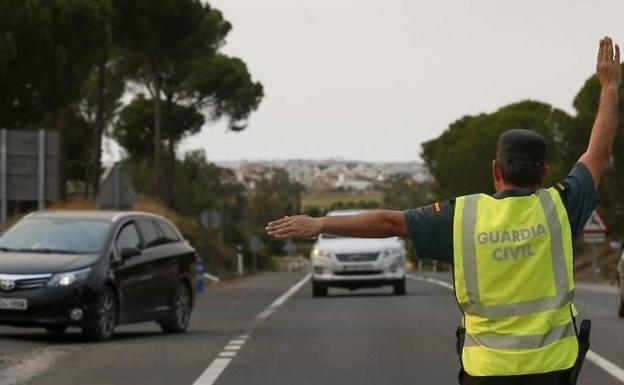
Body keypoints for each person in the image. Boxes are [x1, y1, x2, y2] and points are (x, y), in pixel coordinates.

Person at [265, 37, 621, 385]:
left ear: (496, 170)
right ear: (543, 173)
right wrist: (608, 87)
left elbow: (390, 221)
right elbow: (598, 153)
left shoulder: (461, 216)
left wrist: (320, 223)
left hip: (486, 371)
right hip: (552, 369)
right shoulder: (560, 206)